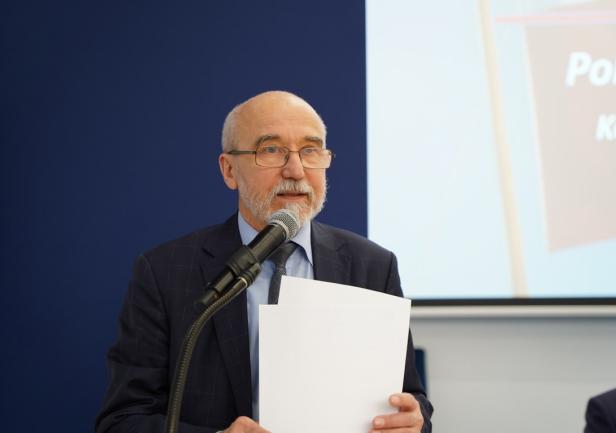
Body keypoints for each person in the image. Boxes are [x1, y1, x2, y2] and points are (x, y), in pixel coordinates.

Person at [95, 90, 433, 433]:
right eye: (271, 150)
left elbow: (410, 398)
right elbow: (123, 420)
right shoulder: (164, 272)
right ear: (229, 170)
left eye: (310, 150)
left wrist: (414, 420)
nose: (296, 170)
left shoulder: (373, 266)